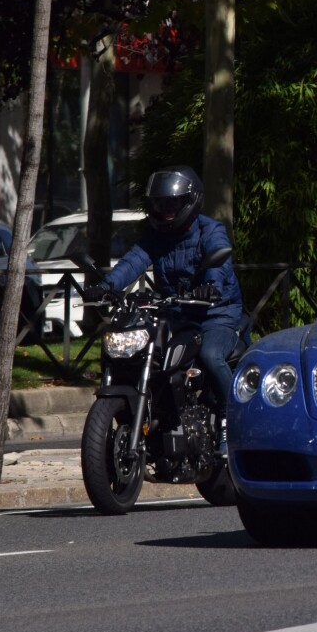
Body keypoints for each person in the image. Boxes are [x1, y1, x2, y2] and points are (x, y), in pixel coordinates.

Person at [83, 166, 244, 453]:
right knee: (143, 352)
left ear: (190, 202)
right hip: (176, 312)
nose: (167, 210)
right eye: (161, 204)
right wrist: (107, 287)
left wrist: (210, 286)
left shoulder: (211, 230)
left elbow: (217, 260)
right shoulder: (154, 235)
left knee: (209, 355)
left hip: (215, 314)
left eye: (174, 203)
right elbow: (134, 261)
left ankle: (231, 419)